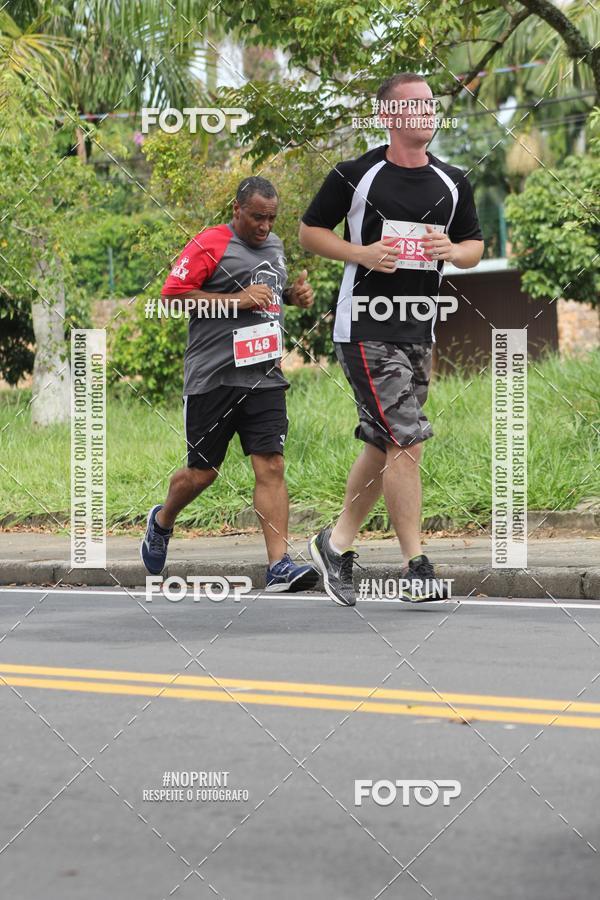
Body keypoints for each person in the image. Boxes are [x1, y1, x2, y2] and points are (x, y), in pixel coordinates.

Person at [300, 73, 484, 606]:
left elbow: (473, 245)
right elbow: (310, 230)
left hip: (418, 326)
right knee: (408, 438)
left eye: (432, 104)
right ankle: (416, 567)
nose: (429, 111)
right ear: (388, 116)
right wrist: (360, 254)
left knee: (385, 441)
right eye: (417, 105)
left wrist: (450, 250)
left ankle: (333, 546)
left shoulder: (451, 181)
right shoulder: (358, 174)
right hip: (364, 325)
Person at [141, 176, 319, 592]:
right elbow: (172, 296)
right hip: (213, 377)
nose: (265, 226)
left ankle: (279, 565)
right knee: (203, 474)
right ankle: (163, 519)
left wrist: (292, 295)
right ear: (237, 209)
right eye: (258, 217)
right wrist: (235, 300)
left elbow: (268, 293)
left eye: (272, 218)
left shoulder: (274, 246)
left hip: (263, 375)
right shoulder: (210, 243)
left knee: (272, 464)